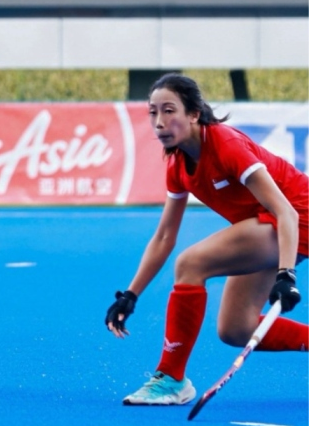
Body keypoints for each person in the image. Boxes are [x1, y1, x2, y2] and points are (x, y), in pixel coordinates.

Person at [105, 73, 307, 405]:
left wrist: (286, 275)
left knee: (191, 263)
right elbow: (164, 236)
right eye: (153, 112)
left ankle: (171, 378)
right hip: (265, 224)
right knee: (235, 328)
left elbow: (285, 212)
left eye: (169, 110)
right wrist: (130, 295)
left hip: (298, 217)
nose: (159, 122)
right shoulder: (178, 165)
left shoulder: (225, 145)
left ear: (194, 114)